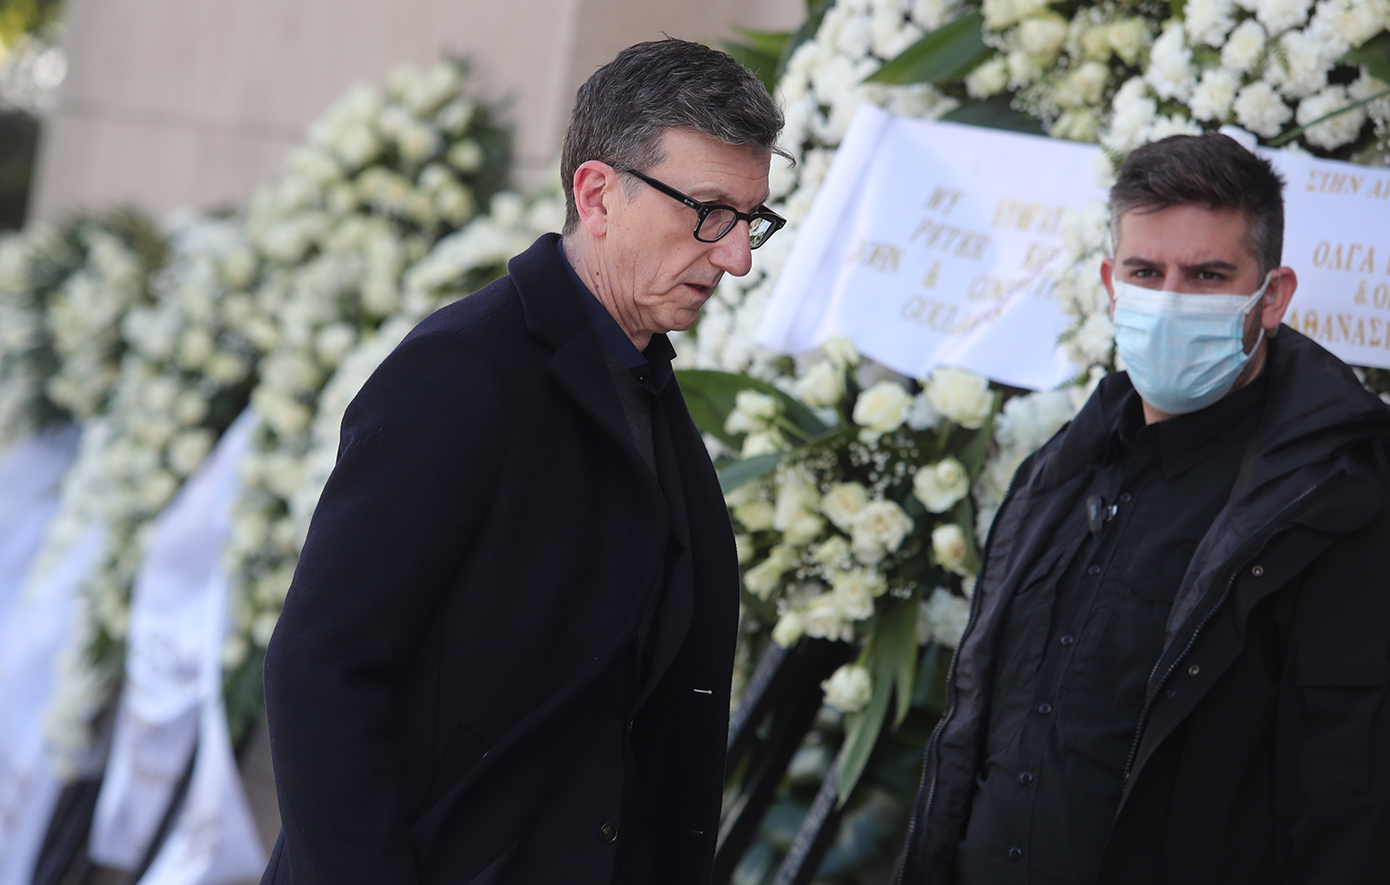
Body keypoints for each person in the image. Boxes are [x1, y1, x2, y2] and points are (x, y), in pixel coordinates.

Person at [259, 38, 788, 885]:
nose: (738, 257)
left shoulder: (642, 379)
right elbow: (320, 666)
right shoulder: (462, 370)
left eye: (750, 218)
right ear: (598, 194)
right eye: (709, 212)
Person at [896, 133, 1390, 884]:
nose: (1170, 301)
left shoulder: (1326, 507)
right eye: (1146, 272)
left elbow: (1342, 794)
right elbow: (976, 732)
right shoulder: (1058, 472)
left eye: (1208, 275)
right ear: (1110, 283)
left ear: (1273, 296)